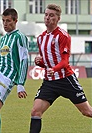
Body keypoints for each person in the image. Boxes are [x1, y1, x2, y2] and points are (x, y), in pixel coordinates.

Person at [29, 4, 92, 133]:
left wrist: (54, 69)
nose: (47, 18)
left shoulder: (63, 36)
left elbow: (64, 62)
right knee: (35, 111)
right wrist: (39, 63)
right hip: (49, 82)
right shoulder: (41, 38)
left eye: (51, 15)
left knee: (87, 112)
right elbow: (47, 63)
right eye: (46, 15)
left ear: (58, 18)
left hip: (65, 79)